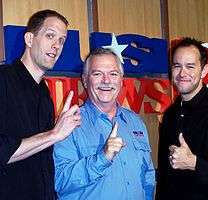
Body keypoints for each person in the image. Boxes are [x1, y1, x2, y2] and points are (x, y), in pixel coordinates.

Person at [53, 48, 155, 200]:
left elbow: (148, 176)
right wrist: (102, 158)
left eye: (113, 74)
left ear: (121, 81)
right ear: (85, 80)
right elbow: (59, 181)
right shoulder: (68, 124)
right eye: (97, 74)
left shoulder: (136, 122)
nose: (106, 81)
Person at [0, 9, 81, 200]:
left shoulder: (44, 93)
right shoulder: (3, 80)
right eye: (50, 36)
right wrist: (54, 134)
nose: (56, 46)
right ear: (29, 39)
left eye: (61, 40)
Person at [156, 37, 208, 200]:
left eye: (190, 66)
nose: (182, 73)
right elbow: (164, 174)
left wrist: (195, 163)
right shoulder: (171, 114)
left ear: (204, 70)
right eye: (177, 66)